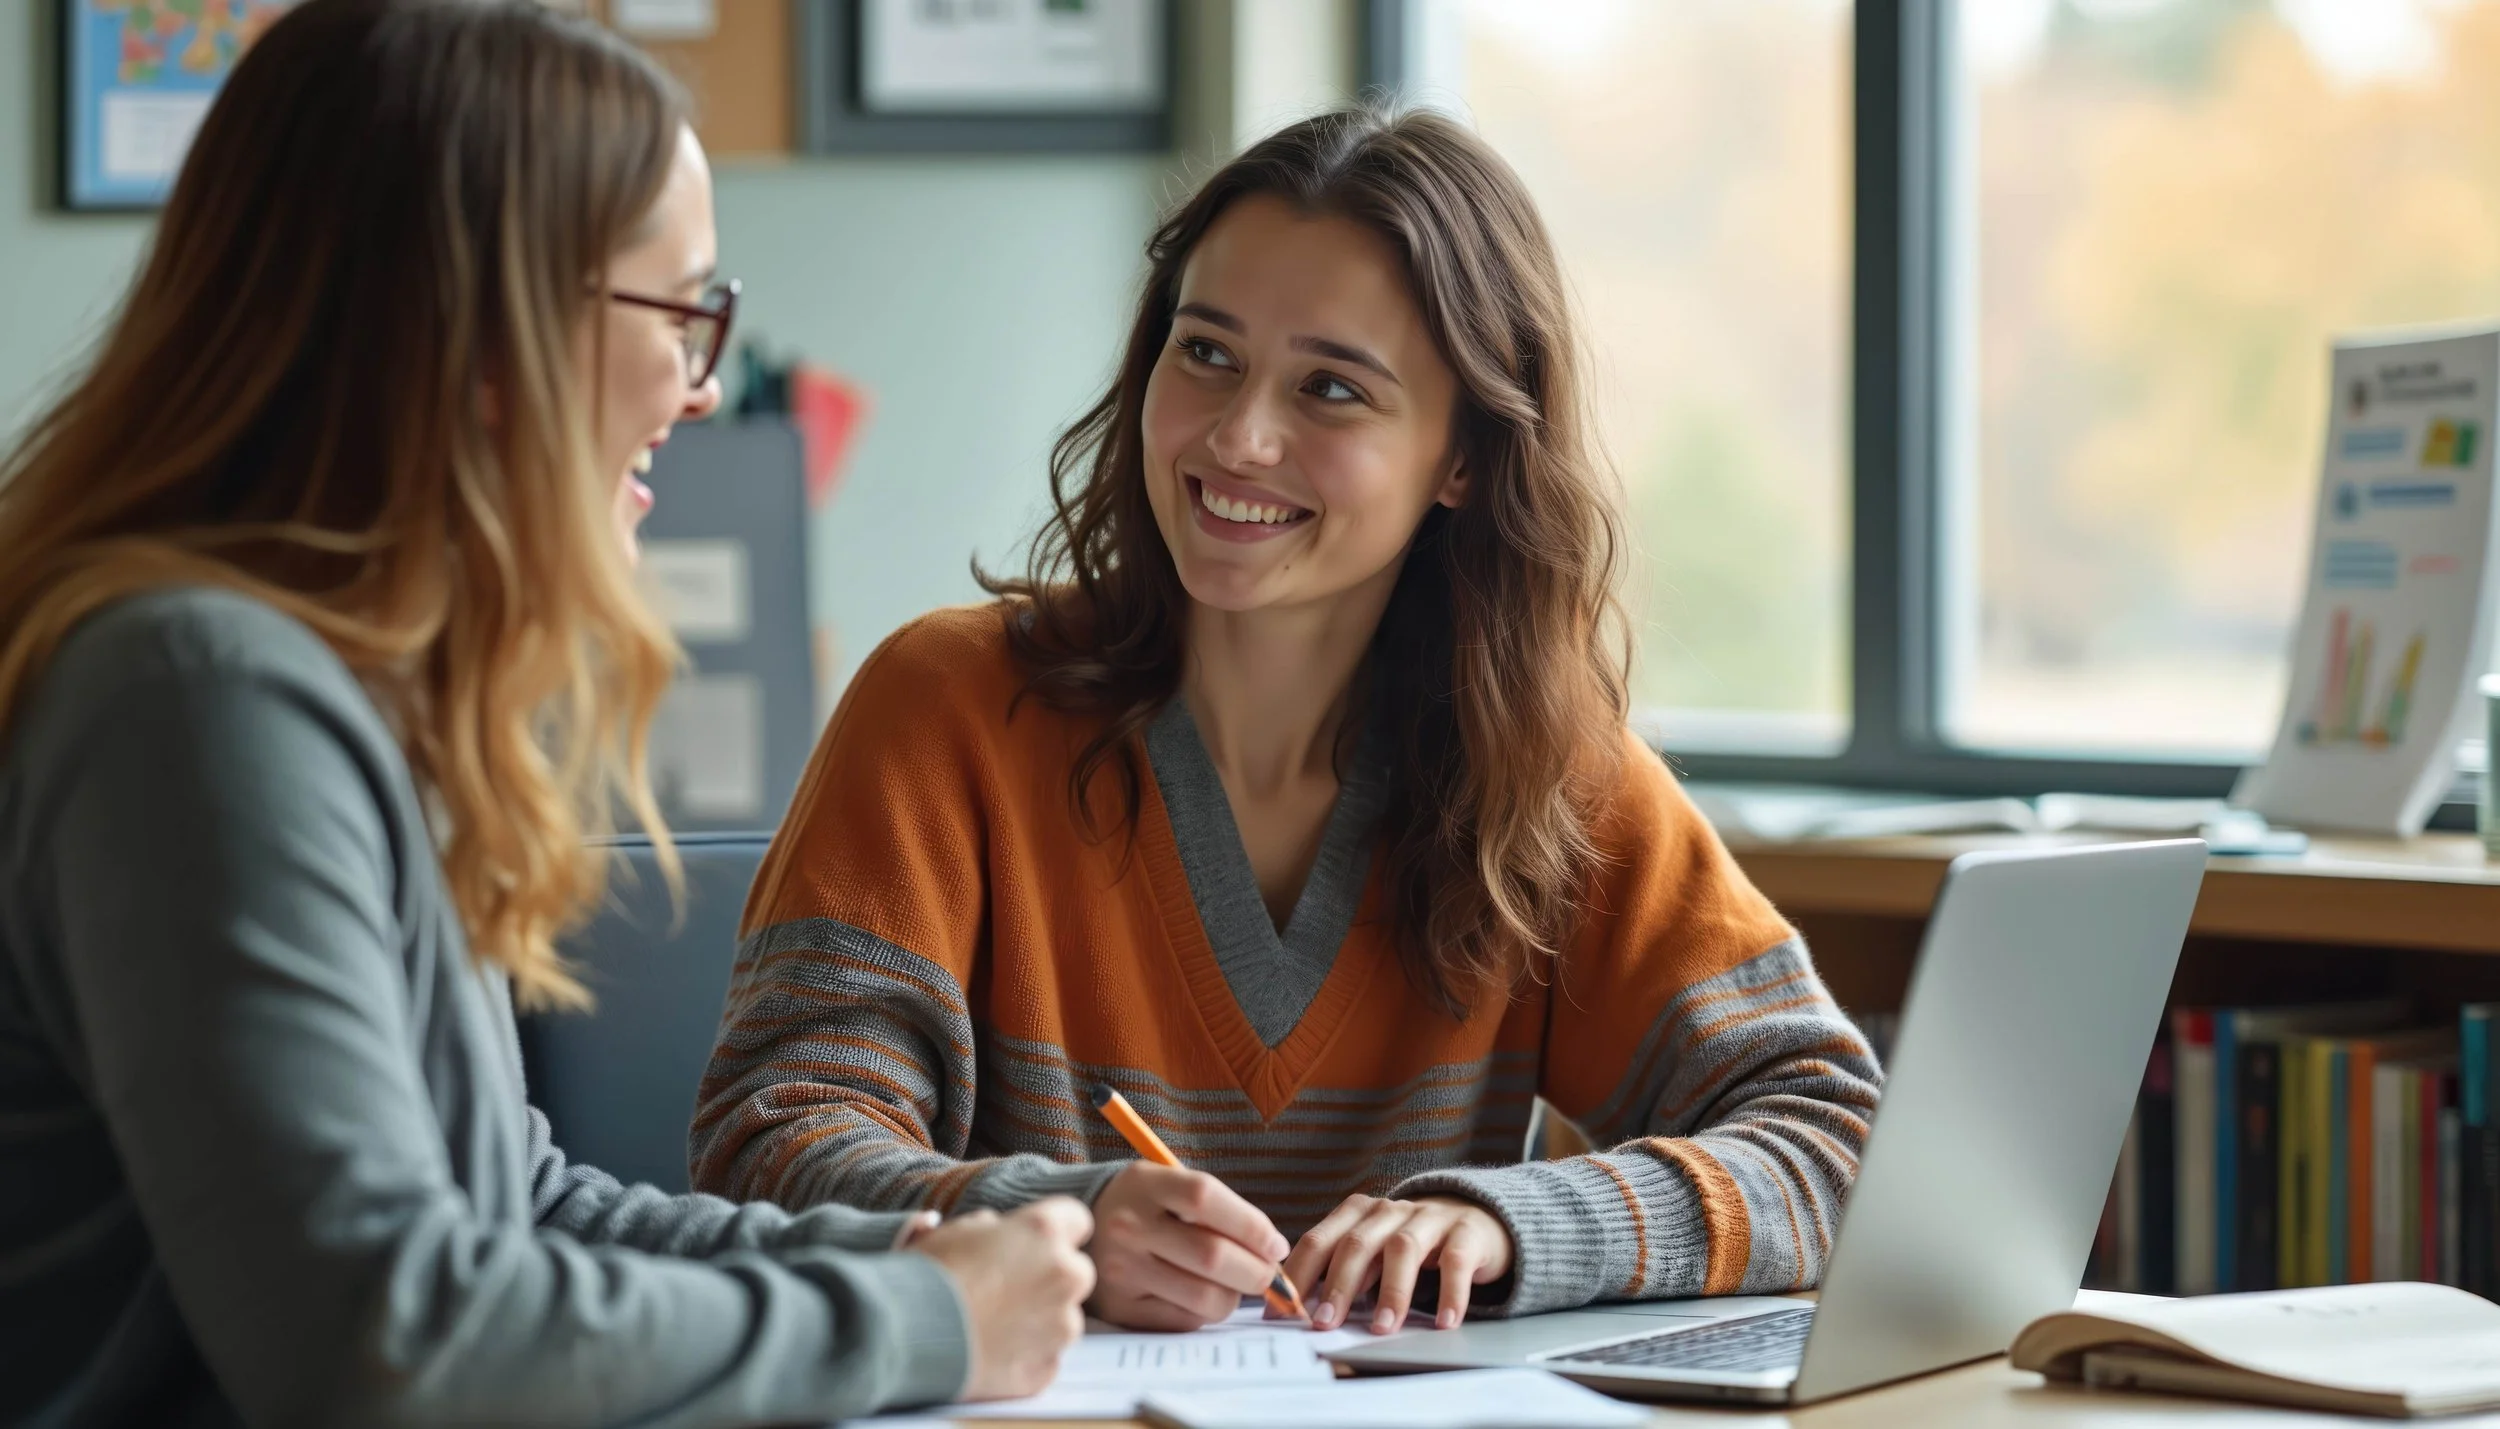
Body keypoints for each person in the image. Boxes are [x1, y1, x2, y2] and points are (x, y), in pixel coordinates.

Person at [0, 3, 1092, 1424]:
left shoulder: (330, 692)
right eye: (682, 312)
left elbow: (514, 1211)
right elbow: (388, 1336)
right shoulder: (199, 704)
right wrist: (917, 1319)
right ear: (486, 329)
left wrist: (912, 1257)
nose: (702, 391)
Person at [692, 106, 1882, 1338]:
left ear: (1461, 458)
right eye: (1204, 354)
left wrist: (1509, 1223)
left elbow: (1841, 1142)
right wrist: (1050, 1217)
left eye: (1329, 389)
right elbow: (767, 1138)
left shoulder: (1550, 775)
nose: (1237, 437)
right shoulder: (945, 706)